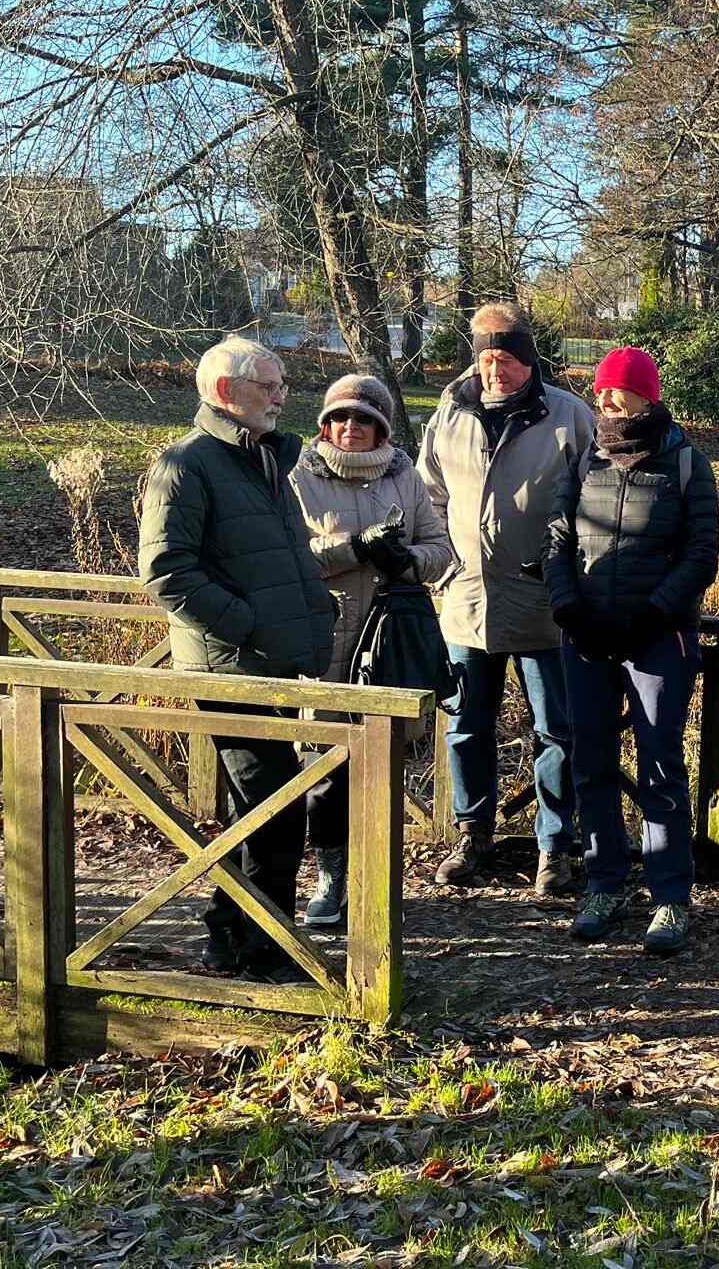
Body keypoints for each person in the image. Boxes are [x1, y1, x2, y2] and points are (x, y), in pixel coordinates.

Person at [139, 335, 337, 982]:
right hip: (228, 666)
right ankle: (263, 951)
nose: (282, 397)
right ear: (227, 392)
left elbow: (279, 554)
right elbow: (166, 572)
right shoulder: (186, 465)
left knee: (256, 810)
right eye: (269, 386)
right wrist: (248, 627)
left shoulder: (261, 459)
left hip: (266, 661)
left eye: (282, 385)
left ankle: (230, 938)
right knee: (276, 807)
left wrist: (312, 616)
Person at [544, 347, 719, 955]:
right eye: (601, 393)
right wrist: (569, 608)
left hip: (657, 639)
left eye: (619, 393)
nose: (607, 403)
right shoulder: (584, 460)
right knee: (590, 760)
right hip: (587, 637)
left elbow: (701, 555)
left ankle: (670, 894)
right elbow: (558, 539)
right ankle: (604, 882)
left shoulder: (686, 464)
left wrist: (652, 614)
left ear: (648, 396)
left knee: (660, 763)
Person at [417, 302, 597, 893]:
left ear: (529, 360)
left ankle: (554, 844)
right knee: (466, 725)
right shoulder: (450, 413)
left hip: (544, 602)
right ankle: (473, 834)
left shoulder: (567, 416)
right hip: (467, 601)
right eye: (488, 360)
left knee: (556, 731)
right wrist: (445, 568)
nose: (497, 372)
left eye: (508, 361)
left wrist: (565, 570)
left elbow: (594, 503)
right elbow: (428, 497)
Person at [287, 373, 454, 928]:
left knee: (383, 762)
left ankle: (376, 875)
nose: (350, 427)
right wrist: (353, 547)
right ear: (325, 424)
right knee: (325, 762)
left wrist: (407, 561)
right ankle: (330, 877)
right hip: (326, 637)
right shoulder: (299, 477)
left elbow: (440, 548)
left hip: (392, 639)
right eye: (340, 417)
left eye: (364, 419)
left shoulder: (404, 476)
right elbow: (291, 555)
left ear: (381, 427)